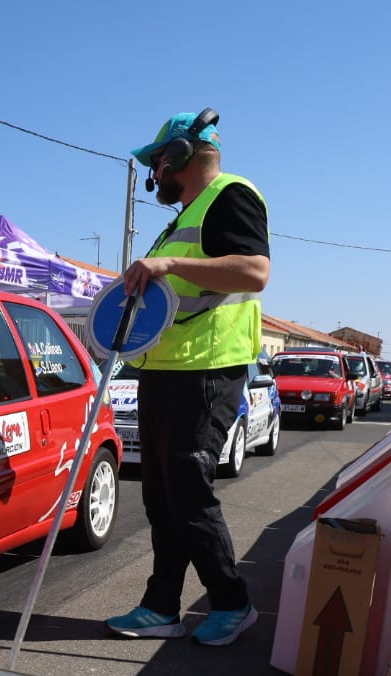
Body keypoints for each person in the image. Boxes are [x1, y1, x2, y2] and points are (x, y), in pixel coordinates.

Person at [105, 109, 270, 647]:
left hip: (206, 368)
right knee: (161, 497)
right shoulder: (183, 217)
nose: (154, 174)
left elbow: (254, 271)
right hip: (166, 369)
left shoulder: (231, 195)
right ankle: (161, 607)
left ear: (178, 155)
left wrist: (168, 267)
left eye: (157, 162)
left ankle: (232, 602)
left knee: (189, 492)